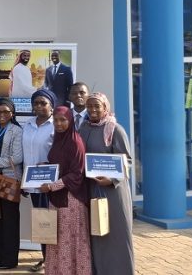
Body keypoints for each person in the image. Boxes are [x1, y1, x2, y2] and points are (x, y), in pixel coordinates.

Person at [78, 93, 134, 275]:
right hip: (91, 188)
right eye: (89, 106)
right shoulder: (83, 128)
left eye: (97, 106)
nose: (93, 110)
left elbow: (127, 161)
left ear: (105, 108)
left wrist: (112, 179)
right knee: (95, 231)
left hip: (112, 192)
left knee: (116, 233)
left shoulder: (115, 129)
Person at [39, 106, 91, 275]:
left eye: (63, 120)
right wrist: (46, 167)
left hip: (71, 200)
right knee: (58, 240)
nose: (59, 124)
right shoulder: (58, 139)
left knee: (70, 241)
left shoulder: (76, 142)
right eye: (56, 120)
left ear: (70, 121)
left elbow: (76, 174)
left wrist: (52, 186)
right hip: (57, 199)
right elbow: (61, 165)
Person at [0, 98, 24, 270]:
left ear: (12, 114)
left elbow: (17, 157)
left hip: (9, 180)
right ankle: (0, 256)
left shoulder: (16, 130)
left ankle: (10, 260)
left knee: (10, 220)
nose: (1, 114)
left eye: (5, 112)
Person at [23, 88, 56, 272]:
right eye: (36, 103)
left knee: (52, 221)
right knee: (41, 220)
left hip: (49, 183)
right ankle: (46, 257)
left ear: (51, 105)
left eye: (43, 103)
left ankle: (53, 259)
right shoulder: (28, 125)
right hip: (32, 183)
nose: (39, 106)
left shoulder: (56, 125)